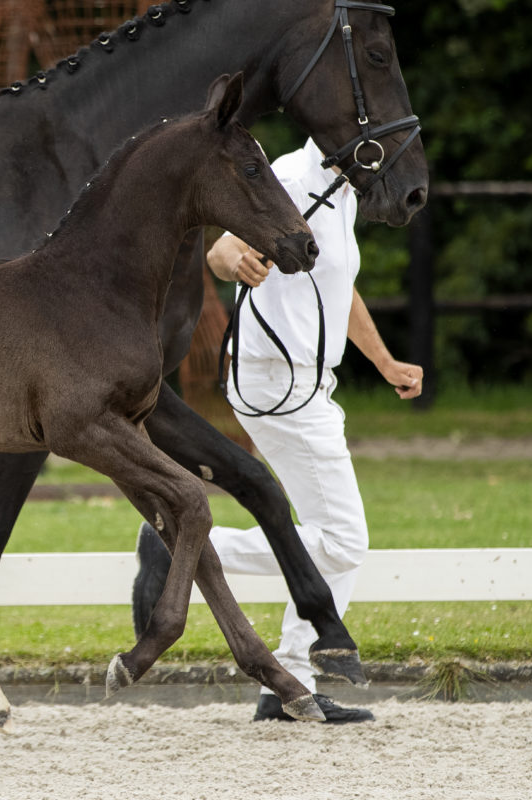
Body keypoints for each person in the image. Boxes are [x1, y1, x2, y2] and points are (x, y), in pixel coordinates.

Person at [135, 137, 423, 723]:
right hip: (275, 378)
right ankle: (184, 548)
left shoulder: (343, 191)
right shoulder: (289, 174)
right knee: (344, 541)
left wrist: (384, 361)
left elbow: (338, 289)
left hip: (308, 381)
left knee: (333, 536)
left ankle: (287, 682)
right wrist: (230, 260)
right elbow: (221, 250)